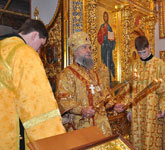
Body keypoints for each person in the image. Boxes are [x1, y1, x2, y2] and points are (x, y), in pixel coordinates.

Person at [0, 19, 66, 150]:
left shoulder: (3, 48)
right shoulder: (24, 53)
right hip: (11, 135)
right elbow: (37, 105)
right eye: (40, 45)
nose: (38, 51)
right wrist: (54, 143)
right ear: (35, 35)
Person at [56, 31, 123, 136]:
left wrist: (113, 105)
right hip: (81, 126)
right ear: (75, 51)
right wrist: (82, 110)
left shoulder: (94, 74)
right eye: (84, 47)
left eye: (89, 48)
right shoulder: (67, 74)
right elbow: (63, 99)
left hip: (101, 126)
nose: (89, 51)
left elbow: (104, 95)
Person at [124, 36, 165, 150]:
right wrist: (129, 109)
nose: (142, 55)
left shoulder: (160, 64)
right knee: (136, 140)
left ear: (149, 47)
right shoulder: (133, 65)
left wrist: (164, 107)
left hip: (153, 109)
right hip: (136, 110)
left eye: (144, 52)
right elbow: (128, 89)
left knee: (152, 140)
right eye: (139, 53)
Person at [97, 11, 116, 84]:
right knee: (104, 62)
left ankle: (109, 80)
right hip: (104, 47)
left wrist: (112, 39)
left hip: (109, 47)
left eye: (106, 16)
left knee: (109, 62)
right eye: (104, 16)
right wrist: (103, 33)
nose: (105, 18)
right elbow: (99, 37)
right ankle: (104, 79)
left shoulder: (109, 27)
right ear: (103, 17)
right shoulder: (102, 26)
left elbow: (112, 37)